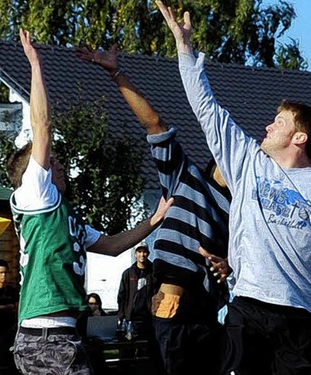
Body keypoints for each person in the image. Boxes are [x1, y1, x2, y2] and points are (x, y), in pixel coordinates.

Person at [156, 0, 311, 375]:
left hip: (301, 319)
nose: (269, 126)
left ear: (299, 137)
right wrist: (185, 50)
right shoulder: (247, 163)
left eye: (279, 121)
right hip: (249, 307)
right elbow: (206, 108)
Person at [8, 29, 173, 375]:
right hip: (46, 336)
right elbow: (42, 124)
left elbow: (112, 246)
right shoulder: (35, 193)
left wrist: (152, 222)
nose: (60, 164)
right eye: (53, 161)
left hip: (60, 335)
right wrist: (36, 65)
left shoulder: (65, 217)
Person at [77, 44, 231, 375]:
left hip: (208, 311)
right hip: (172, 304)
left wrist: (231, 265)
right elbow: (155, 124)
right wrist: (115, 72)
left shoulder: (243, 208)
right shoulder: (185, 176)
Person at [117, 242, 154, 339]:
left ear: (148, 253)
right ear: (135, 254)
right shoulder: (128, 273)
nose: (142, 254)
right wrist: (122, 315)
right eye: (139, 251)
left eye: (144, 252)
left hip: (149, 318)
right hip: (131, 318)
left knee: (148, 349)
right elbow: (122, 296)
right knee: (128, 348)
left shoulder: (154, 272)